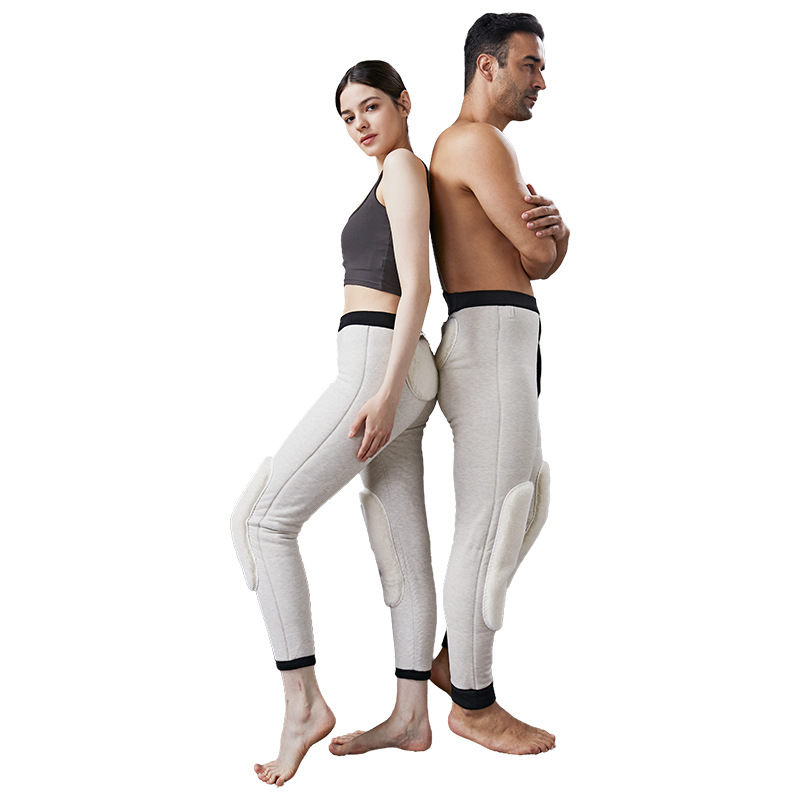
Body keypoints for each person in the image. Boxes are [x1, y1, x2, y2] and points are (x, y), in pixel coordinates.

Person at [230, 60, 437, 786]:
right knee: (401, 544)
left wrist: (383, 390)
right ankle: (411, 716)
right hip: (392, 365)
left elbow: (419, 284)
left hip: (380, 361)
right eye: (348, 116)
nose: (360, 125)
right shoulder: (395, 173)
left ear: (404, 102)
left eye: (371, 106)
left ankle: (303, 704)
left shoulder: (403, 167)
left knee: (262, 521)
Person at [428, 12, 569, 755]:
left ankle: (455, 657)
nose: (541, 81)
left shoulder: (473, 145)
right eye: (529, 65)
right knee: (494, 519)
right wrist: (558, 237)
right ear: (487, 66)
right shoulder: (478, 142)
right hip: (488, 341)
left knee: (524, 509)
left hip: (501, 340)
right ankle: (473, 705)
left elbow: (538, 258)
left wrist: (553, 241)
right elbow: (537, 257)